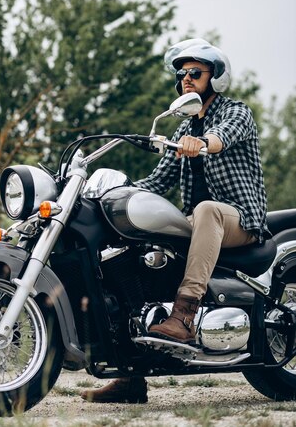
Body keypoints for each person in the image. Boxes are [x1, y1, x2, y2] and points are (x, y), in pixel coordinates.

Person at [81, 38, 268, 404]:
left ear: (215, 77)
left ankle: (183, 315)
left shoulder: (236, 112)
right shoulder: (183, 130)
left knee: (206, 209)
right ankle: (130, 374)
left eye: (195, 72)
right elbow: (157, 181)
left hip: (239, 218)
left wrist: (205, 143)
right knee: (134, 243)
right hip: (199, 225)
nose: (186, 78)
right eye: (182, 74)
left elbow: (223, 137)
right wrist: (117, 192)